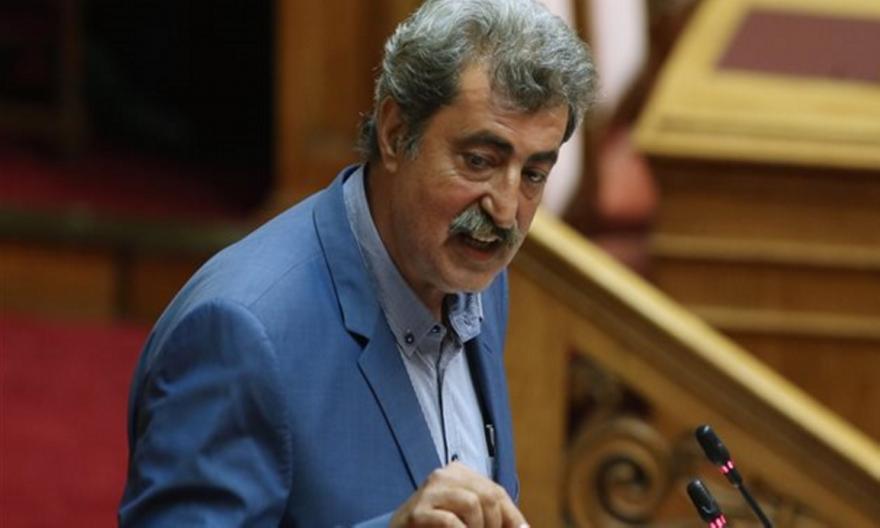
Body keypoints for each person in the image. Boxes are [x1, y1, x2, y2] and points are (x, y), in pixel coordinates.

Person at [119, 0, 595, 525]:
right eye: (479, 161)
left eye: (533, 174)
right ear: (394, 133)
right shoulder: (240, 334)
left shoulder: (474, 269)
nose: (505, 210)